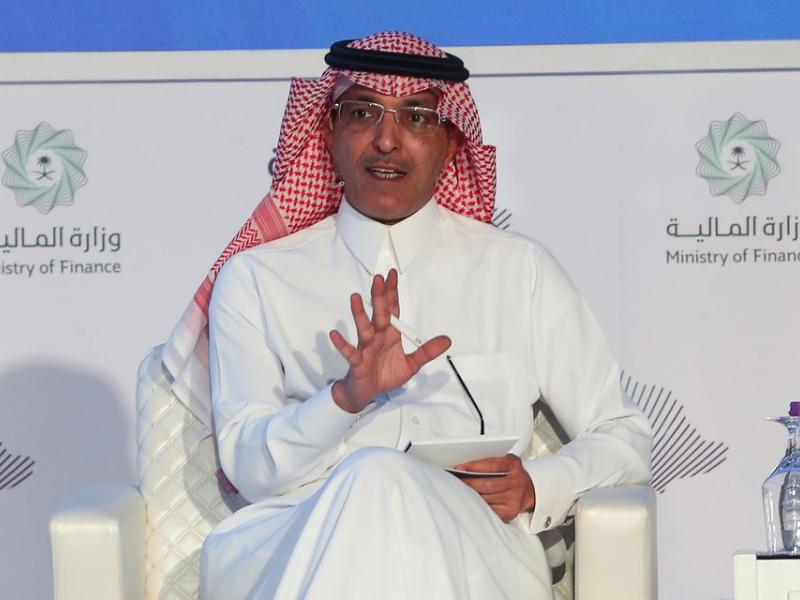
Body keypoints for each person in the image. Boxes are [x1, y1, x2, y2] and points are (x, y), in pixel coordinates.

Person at [163, 31, 651, 599]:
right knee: (374, 475)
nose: (387, 140)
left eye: (416, 117)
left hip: (471, 543)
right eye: (362, 113)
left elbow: (624, 435)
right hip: (296, 538)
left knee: (381, 476)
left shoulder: (519, 270)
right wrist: (342, 401)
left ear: (450, 142)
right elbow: (249, 467)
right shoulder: (256, 278)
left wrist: (537, 485)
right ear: (328, 131)